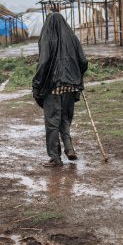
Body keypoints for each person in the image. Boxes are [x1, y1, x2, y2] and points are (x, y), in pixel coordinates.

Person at [32, 11, 88, 167]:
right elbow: (83, 61)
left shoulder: (47, 38)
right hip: (70, 88)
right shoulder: (72, 38)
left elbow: (43, 63)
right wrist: (77, 76)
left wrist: (36, 84)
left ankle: (55, 158)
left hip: (53, 87)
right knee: (64, 118)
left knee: (52, 123)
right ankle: (69, 148)